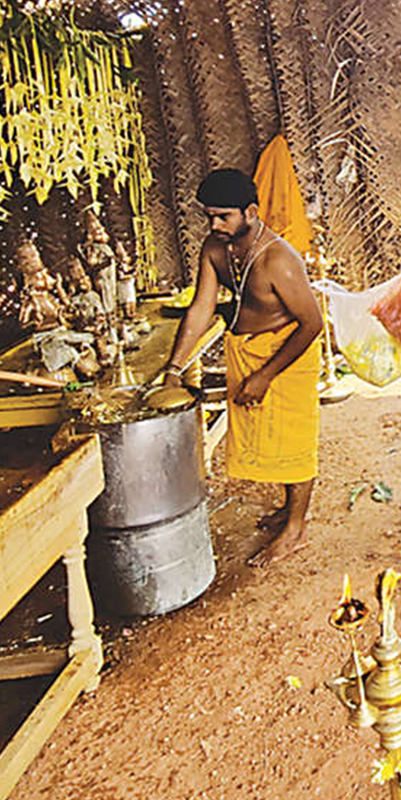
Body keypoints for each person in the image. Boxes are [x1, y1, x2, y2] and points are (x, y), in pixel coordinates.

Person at [161, 169, 323, 567]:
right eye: (209, 217)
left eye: (223, 217)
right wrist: (174, 368)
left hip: (287, 354)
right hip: (247, 351)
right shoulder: (215, 249)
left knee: (294, 442)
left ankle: (296, 530)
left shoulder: (278, 260)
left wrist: (265, 375)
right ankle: (289, 511)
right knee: (272, 438)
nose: (214, 225)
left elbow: (312, 323)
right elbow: (201, 308)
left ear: (250, 211)